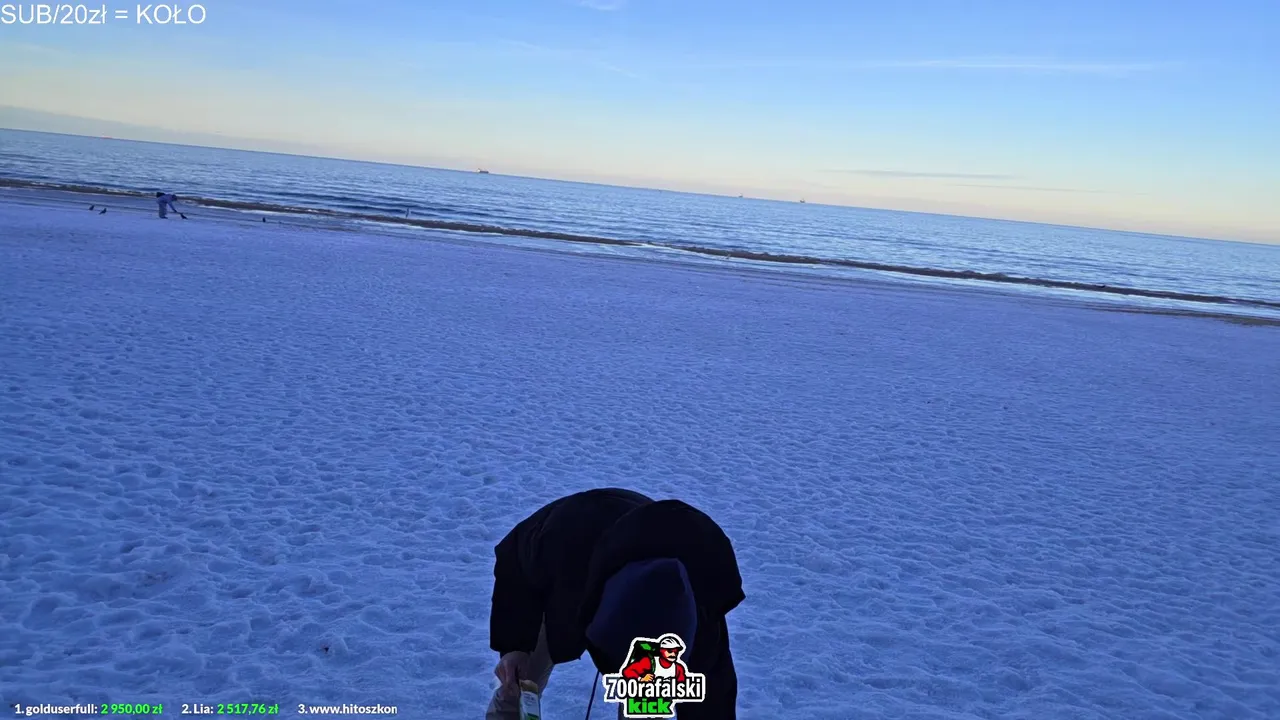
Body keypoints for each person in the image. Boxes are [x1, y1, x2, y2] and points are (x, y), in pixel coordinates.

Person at [487, 488, 744, 720]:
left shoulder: (700, 608)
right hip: (566, 572)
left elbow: (712, 700)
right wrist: (514, 646)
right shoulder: (561, 544)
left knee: (646, 708)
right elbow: (514, 561)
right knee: (518, 683)